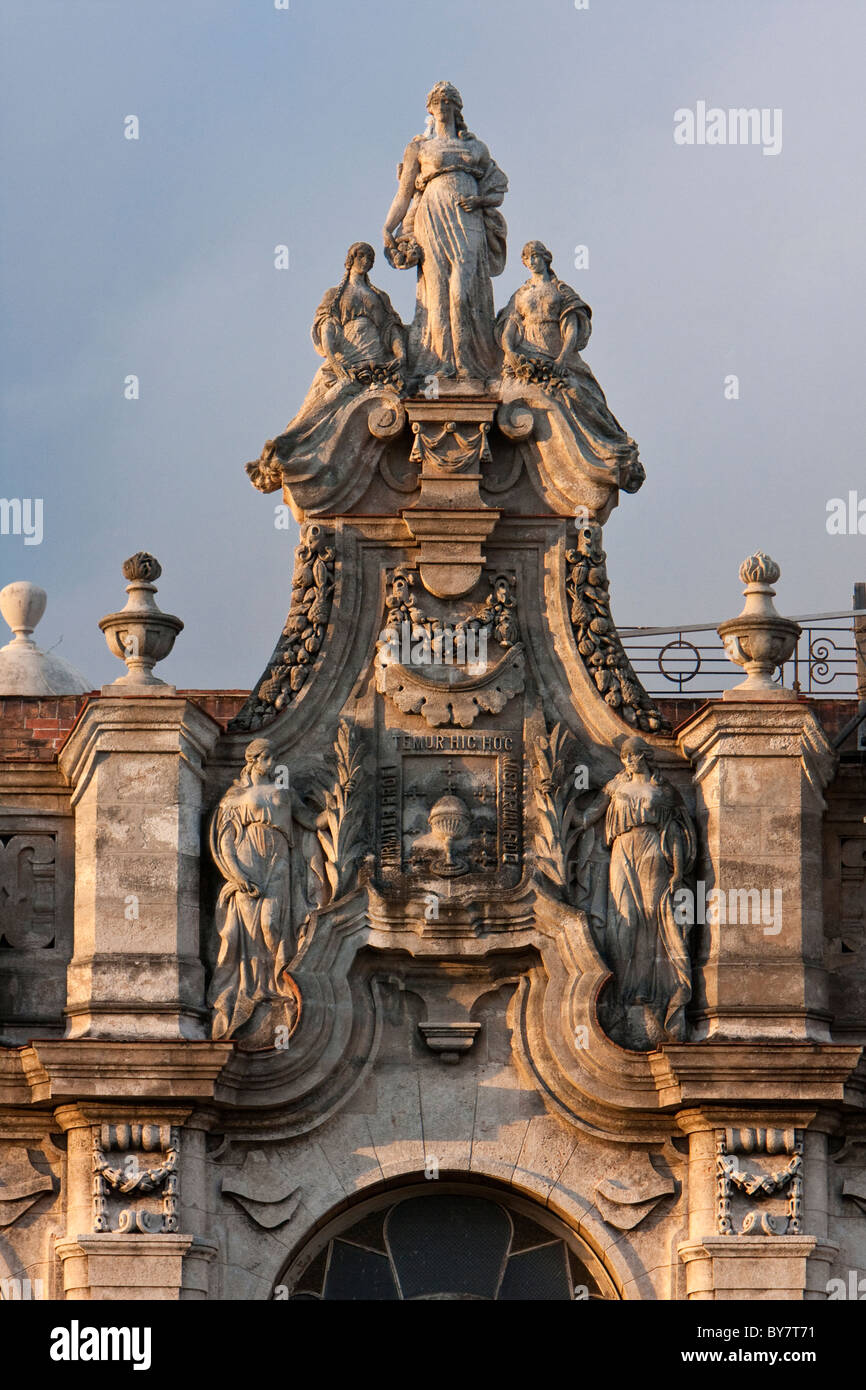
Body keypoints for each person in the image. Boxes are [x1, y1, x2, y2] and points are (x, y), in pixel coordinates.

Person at [383, 81, 507, 382]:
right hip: (432, 216)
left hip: (468, 217)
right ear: (430, 108)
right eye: (436, 101)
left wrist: (479, 200)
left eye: (446, 100)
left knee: (463, 289)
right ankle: (441, 364)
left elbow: (498, 188)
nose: (441, 105)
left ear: (455, 106)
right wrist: (388, 227)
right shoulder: (419, 148)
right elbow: (404, 193)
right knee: (437, 290)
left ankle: (470, 362)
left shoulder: (475, 148)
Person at [575, 737, 696, 1045]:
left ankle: (649, 993)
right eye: (624, 756)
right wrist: (552, 797)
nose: (628, 760)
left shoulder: (664, 790)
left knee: (652, 919)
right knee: (623, 920)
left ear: (645, 756)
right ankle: (622, 992)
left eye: (633, 755)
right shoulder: (614, 788)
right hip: (621, 851)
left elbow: (678, 833)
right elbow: (587, 817)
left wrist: (679, 873)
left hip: (653, 851)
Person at [208, 737, 323, 1041]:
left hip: (279, 857)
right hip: (248, 858)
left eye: (274, 758)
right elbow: (226, 839)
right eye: (268, 758)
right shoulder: (236, 795)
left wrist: (337, 808)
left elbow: (310, 821)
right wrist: (236, 875)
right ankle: (252, 988)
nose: (273, 764)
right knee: (248, 931)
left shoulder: (284, 792)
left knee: (272, 924)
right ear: (254, 760)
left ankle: (278, 982)